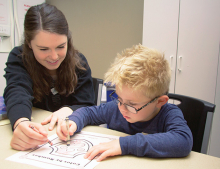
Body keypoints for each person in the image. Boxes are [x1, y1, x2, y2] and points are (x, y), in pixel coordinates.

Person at [57, 44, 193, 161]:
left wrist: (124, 145)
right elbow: (88, 113)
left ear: (160, 102)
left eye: (131, 104)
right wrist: (73, 122)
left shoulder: (169, 114)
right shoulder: (115, 109)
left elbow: (183, 141)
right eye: (119, 98)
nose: (122, 108)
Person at [3, 3, 95, 151]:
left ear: (68, 40)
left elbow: (88, 105)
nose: (54, 56)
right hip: (41, 133)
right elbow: (16, 91)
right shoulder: (19, 57)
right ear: (29, 44)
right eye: (44, 49)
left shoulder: (79, 62)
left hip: (70, 136)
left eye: (61, 46)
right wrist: (20, 123)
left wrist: (69, 110)